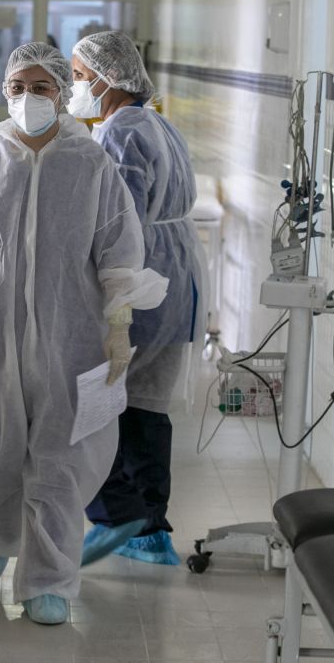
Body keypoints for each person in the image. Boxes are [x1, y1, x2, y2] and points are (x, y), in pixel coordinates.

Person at [0, 42, 167, 624]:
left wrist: (116, 326)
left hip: (74, 339)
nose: (27, 98)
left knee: (61, 455)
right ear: (4, 92)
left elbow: (120, 254)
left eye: (41, 87)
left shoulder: (92, 166)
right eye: (16, 88)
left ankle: (49, 581)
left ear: (61, 92)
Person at [68, 30, 207, 567]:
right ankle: (151, 530)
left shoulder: (120, 134)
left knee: (102, 402)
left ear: (108, 78)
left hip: (141, 281)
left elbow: (115, 223)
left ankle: (116, 518)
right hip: (176, 281)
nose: (75, 87)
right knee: (148, 406)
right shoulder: (159, 124)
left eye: (80, 77)